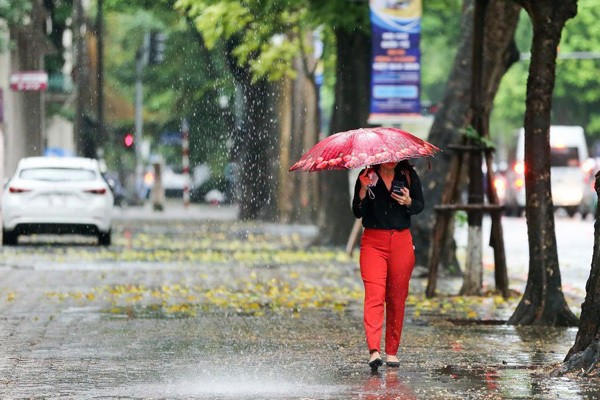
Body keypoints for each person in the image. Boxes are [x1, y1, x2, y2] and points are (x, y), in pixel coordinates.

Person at [351, 160, 424, 371]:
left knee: (396, 298)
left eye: (394, 156)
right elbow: (357, 210)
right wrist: (363, 189)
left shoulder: (408, 174)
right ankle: (374, 350)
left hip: (401, 241)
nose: (390, 160)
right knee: (374, 295)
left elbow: (420, 205)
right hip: (373, 242)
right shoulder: (367, 175)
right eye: (386, 156)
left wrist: (408, 201)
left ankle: (392, 351)